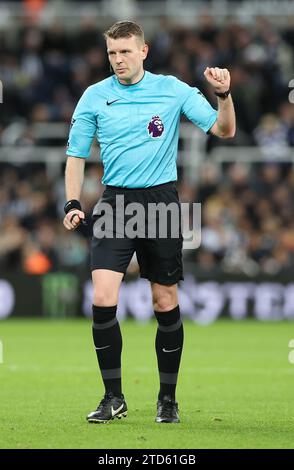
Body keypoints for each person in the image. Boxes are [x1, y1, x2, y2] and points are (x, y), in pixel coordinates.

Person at [63, 20, 235, 424]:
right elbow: (75, 155)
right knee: (103, 297)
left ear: (144, 51)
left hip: (161, 202)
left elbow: (224, 130)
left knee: (165, 301)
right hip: (115, 203)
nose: (117, 60)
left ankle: (168, 399)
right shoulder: (94, 96)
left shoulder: (173, 90)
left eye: (125, 52)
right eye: (111, 53)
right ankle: (113, 397)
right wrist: (72, 201)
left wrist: (224, 95)